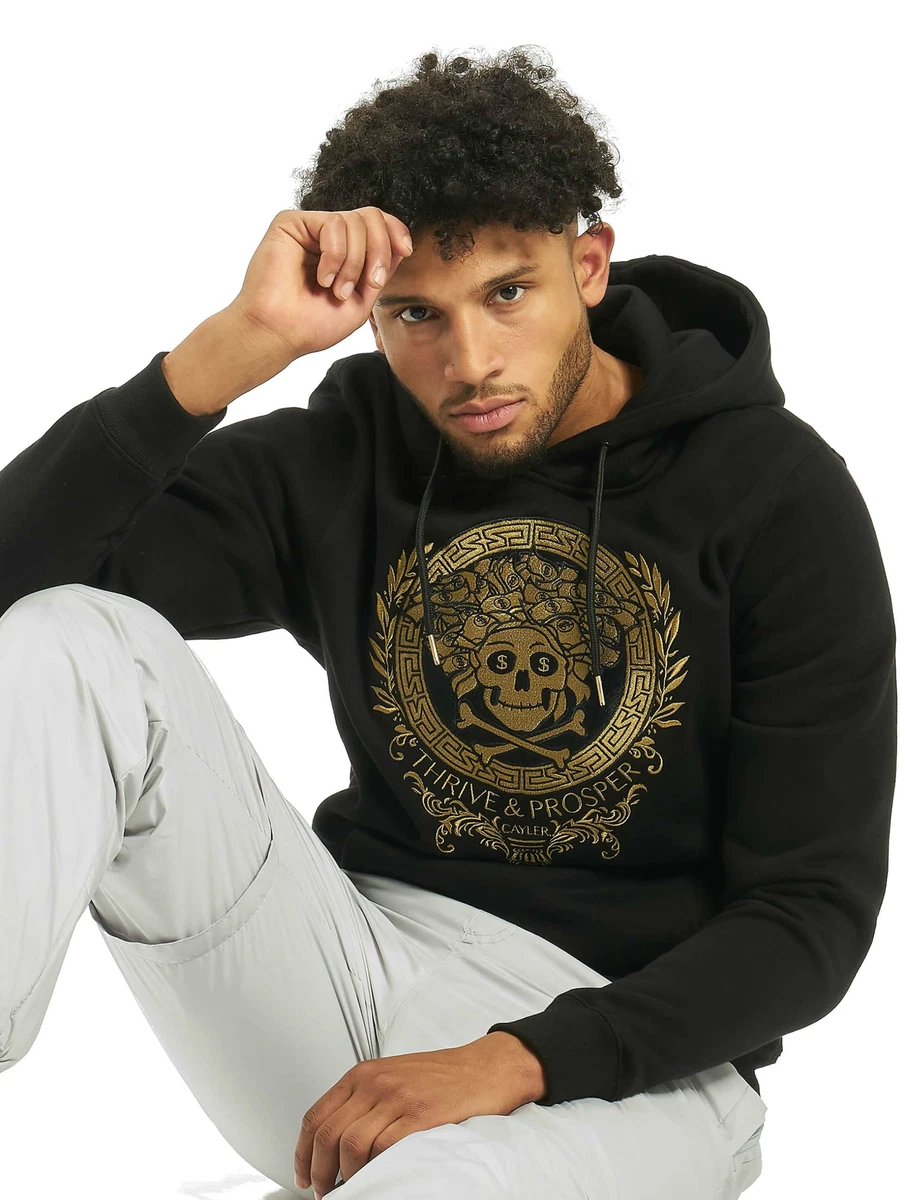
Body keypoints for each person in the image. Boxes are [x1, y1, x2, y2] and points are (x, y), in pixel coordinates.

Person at [0, 44, 896, 1200]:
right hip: (349, 977)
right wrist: (238, 345)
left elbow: (809, 915)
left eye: (506, 293)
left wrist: (514, 1058)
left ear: (587, 265)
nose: (466, 363)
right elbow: (18, 591)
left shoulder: (772, 494)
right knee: (70, 638)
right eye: (415, 313)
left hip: (638, 1057)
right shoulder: (346, 453)